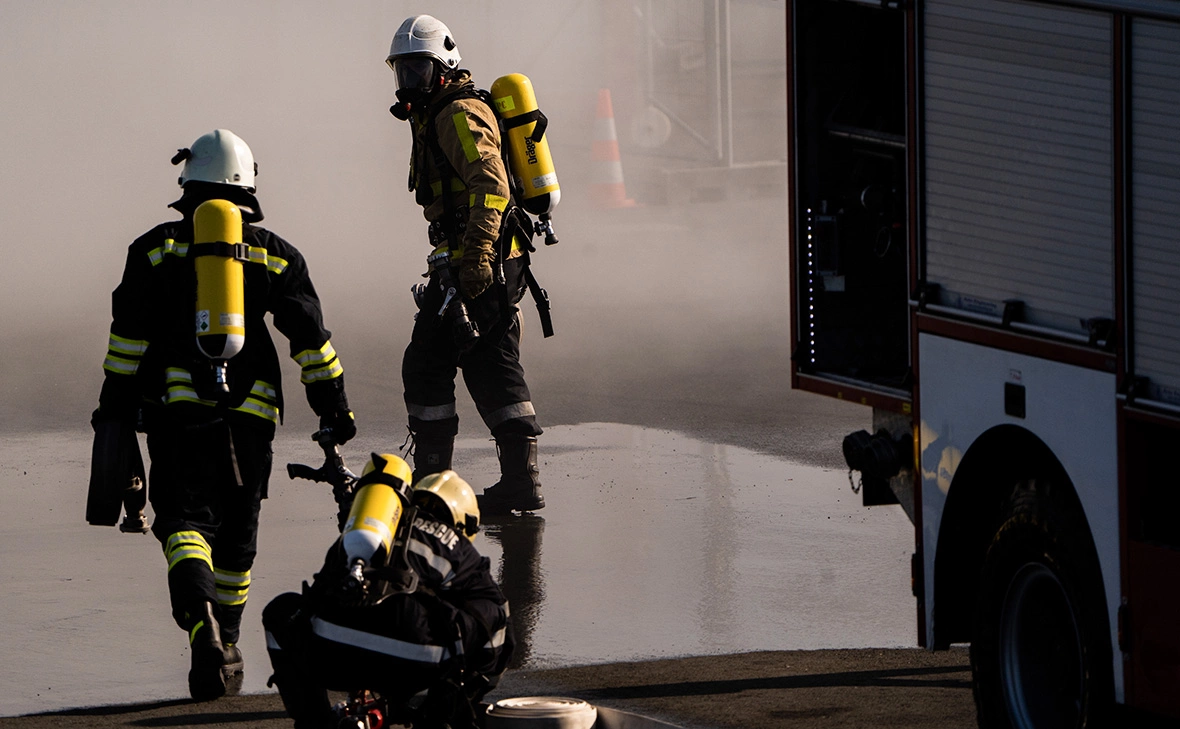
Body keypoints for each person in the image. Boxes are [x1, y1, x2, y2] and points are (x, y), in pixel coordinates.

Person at [90, 129, 356, 701]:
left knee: (185, 525)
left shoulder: (154, 248)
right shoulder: (277, 252)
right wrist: (334, 408)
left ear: (187, 184)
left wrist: (114, 406)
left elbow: (127, 340)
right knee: (239, 532)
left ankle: (199, 626)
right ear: (248, 185)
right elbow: (310, 341)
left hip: (178, 413)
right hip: (252, 414)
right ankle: (230, 636)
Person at [385, 14, 545, 514]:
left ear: (444, 66)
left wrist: (477, 255)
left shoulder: (457, 113)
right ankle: (436, 482)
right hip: (460, 256)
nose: (410, 82)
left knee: (488, 361)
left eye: (419, 70)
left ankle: (518, 481)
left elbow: (492, 185)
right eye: (403, 71)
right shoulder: (434, 113)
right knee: (430, 363)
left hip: (485, 256)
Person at [262, 455, 514, 729]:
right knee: (486, 619)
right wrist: (463, 692)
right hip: (415, 662)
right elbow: (497, 623)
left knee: (282, 612)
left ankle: (316, 722)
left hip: (330, 654)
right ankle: (435, 718)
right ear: (462, 523)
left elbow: (320, 594)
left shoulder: (361, 532)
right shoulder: (456, 546)